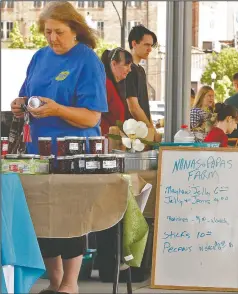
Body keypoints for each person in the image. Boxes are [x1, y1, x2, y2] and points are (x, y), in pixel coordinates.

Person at [10, 2, 108, 293]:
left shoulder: (88, 60)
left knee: (69, 216)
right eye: (48, 32)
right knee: (41, 216)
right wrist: (19, 105)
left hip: (73, 154)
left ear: (75, 30)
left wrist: (57, 111)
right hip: (37, 152)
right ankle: (54, 282)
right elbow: (27, 95)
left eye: (59, 32)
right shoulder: (39, 57)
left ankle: (70, 283)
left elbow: (92, 116)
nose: (52, 38)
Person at [119, 25, 161, 142]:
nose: (150, 49)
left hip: (142, 133)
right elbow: (134, 107)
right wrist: (150, 129)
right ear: (134, 44)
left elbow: (144, 106)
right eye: (146, 45)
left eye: (151, 45)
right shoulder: (129, 70)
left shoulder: (140, 70)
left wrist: (152, 128)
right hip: (132, 135)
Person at [100, 47, 133, 135]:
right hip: (105, 141)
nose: (129, 70)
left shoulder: (115, 86)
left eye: (130, 66)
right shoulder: (106, 85)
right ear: (114, 64)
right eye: (126, 65)